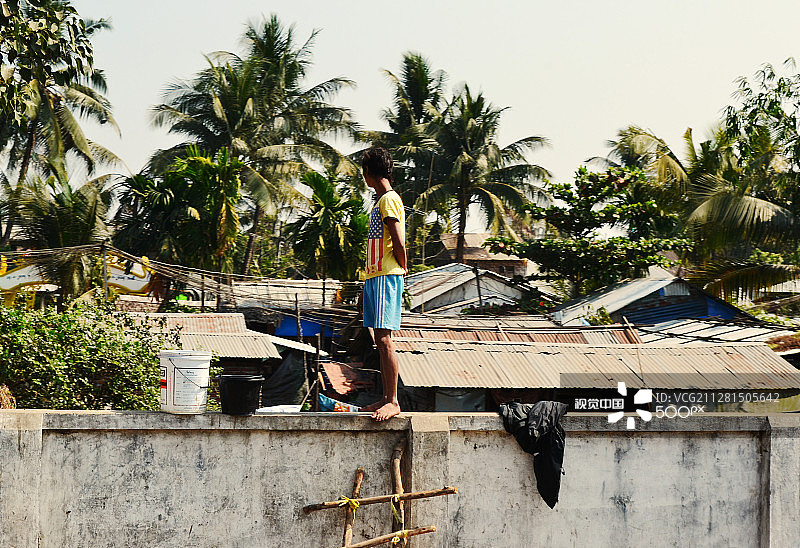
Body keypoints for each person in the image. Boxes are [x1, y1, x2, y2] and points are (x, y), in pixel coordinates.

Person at [359, 147, 406, 421]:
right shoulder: (382, 200)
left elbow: (398, 238)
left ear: (368, 172)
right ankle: (386, 397)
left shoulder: (388, 200)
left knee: (385, 339)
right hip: (378, 274)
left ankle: (393, 400)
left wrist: (403, 264)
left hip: (386, 274)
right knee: (379, 338)